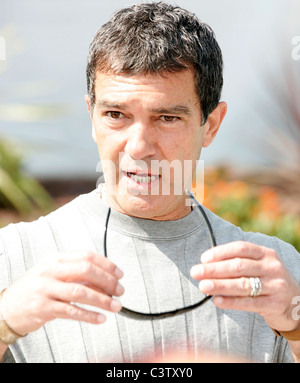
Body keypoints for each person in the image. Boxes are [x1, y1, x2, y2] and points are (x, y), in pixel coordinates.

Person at [1, 1, 300, 363]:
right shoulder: (14, 256)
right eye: (116, 115)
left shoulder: (274, 272)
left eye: (167, 118)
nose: (139, 147)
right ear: (91, 116)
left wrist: (295, 324)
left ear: (212, 125)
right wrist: (5, 323)